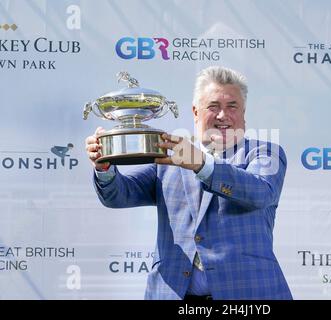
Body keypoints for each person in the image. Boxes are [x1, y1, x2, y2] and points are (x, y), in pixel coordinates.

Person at [85, 66, 292, 300]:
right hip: (173, 293)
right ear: (195, 112)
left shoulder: (265, 152)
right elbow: (118, 195)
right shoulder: (169, 158)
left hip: (248, 294)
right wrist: (103, 167)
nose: (223, 115)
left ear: (243, 113)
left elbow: (260, 192)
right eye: (213, 106)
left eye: (232, 106)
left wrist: (201, 164)